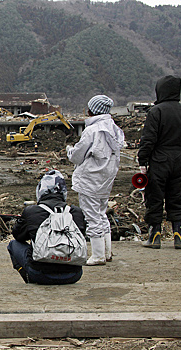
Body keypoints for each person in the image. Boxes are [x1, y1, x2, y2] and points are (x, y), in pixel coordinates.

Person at [138, 75, 181, 249]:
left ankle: (155, 235)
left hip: (159, 160)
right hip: (180, 159)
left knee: (155, 197)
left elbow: (149, 139)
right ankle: (179, 234)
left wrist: (143, 160)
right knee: (177, 197)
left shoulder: (156, 112)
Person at [67, 95, 125, 265]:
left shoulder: (92, 130)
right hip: (105, 179)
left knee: (92, 217)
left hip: (90, 179)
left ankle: (98, 255)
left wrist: (70, 150)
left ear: (92, 110)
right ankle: (107, 252)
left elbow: (78, 156)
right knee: (101, 214)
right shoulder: (114, 130)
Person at [7, 170, 86, 284]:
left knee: (13, 245)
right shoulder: (76, 212)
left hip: (39, 275)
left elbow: (18, 236)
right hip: (74, 275)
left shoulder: (32, 211)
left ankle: (29, 278)